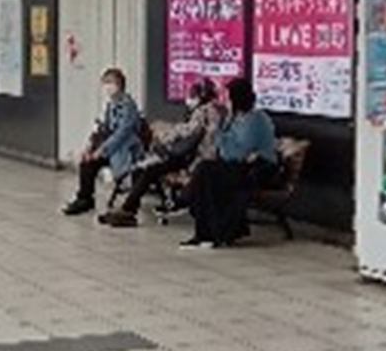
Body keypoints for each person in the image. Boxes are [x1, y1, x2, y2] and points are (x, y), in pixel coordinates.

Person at [100, 79, 224, 228]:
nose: (189, 99)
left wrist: (165, 136)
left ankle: (128, 210)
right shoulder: (211, 110)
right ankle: (128, 209)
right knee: (148, 168)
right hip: (191, 156)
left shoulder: (205, 112)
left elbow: (189, 133)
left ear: (202, 96)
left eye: (192, 95)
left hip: (194, 158)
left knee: (150, 169)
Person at [183, 78, 278, 249]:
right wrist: (222, 135)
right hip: (238, 167)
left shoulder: (255, 120)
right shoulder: (234, 118)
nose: (225, 101)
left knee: (206, 172)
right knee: (206, 172)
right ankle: (205, 233)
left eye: (228, 98)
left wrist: (219, 134)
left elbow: (237, 153)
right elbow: (227, 152)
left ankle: (205, 226)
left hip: (258, 170)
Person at [63, 68, 142, 216]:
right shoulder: (110, 105)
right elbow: (103, 129)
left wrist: (101, 151)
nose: (107, 86)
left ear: (120, 84)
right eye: (105, 83)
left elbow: (121, 134)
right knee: (87, 162)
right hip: (110, 149)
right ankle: (85, 198)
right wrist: (90, 146)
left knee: (95, 159)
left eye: (110, 82)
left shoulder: (129, 106)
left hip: (124, 150)